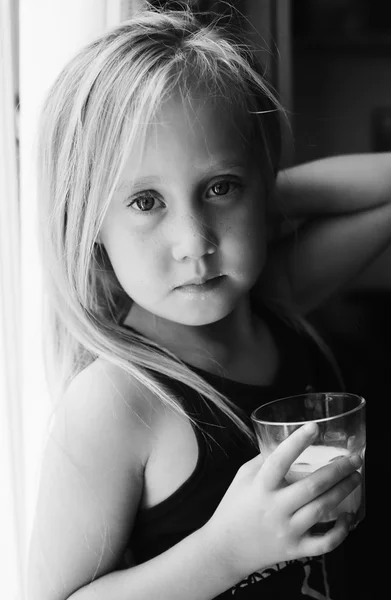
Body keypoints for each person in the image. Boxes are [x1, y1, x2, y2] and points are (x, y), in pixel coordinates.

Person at [27, 5, 391, 600]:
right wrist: (227, 551)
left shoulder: (273, 299)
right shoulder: (116, 402)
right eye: (146, 202)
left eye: (220, 188)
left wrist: (266, 196)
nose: (195, 242)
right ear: (89, 221)